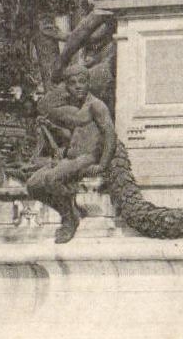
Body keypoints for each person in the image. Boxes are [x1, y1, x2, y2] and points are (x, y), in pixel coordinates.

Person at [25, 63, 116, 243]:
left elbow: (110, 135)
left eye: (82, 82)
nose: (78, 86)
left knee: (52, 179)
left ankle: (69, 219)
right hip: (70, 158)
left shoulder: (96, 106)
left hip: (86, 158)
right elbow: (75, 135)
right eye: (73, 83)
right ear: (67, 86)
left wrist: (102, 164)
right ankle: (67, 207)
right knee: (33, 185)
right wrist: (52, 127)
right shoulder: (78, 107)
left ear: (88, 83)